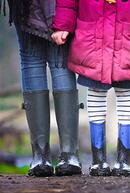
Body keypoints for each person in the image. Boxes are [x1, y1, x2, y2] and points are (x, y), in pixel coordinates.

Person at [52, 0, 130, 176]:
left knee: (125, 93)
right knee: (96, 92)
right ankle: (98, 160)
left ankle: (124, 160)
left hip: (127, 38)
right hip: (92, 37)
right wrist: (63, 23)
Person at [6, 0, 82, 176]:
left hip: (33, 8)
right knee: (57, 62)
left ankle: (41, 156)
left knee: (37, 60)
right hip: (57, 7)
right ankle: (68, 155)